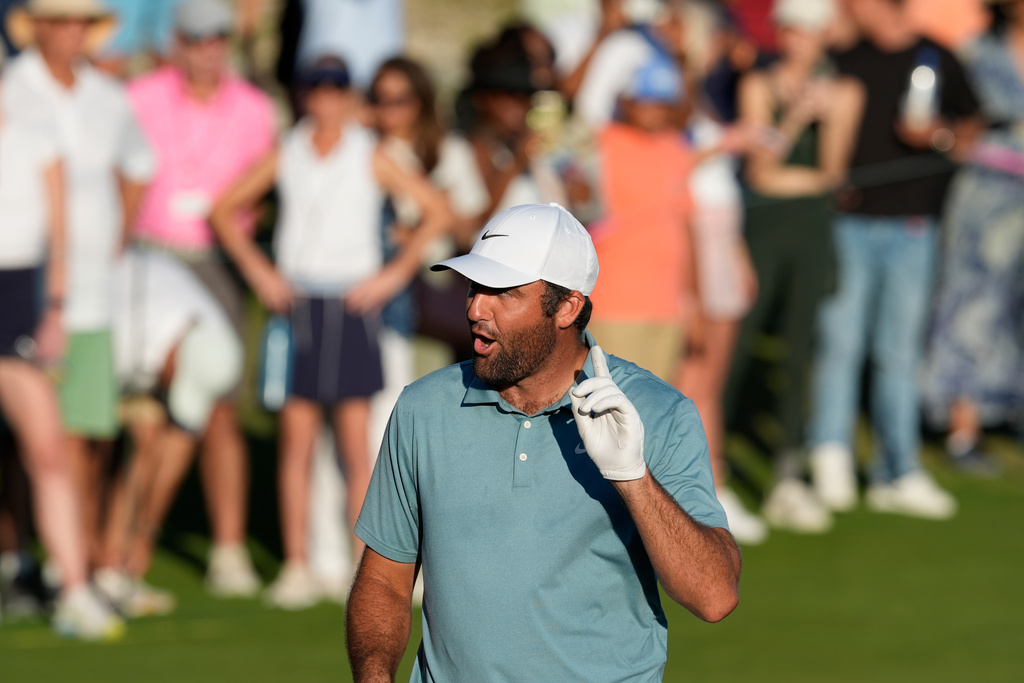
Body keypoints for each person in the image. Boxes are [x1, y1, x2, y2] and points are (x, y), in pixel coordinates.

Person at [346, 202, 740, 682]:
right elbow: (384, 579)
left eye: (503, 292)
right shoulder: (423, 409)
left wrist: (633, 478)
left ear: (568, 307)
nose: (475, 308)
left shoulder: (658, 413)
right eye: (475, 287)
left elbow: (715, 596)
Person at [210, 55, 451, 609]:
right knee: (296, 442)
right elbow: (225, 210)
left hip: (350, 303)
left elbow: (436, 211)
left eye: (335, 89)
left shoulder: (370, 153)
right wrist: (260, 272)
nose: (325, 100)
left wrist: (391, 276)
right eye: (315, 89)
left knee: (355, 446)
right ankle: (297, 565)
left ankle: (362, 566)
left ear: (348, 96)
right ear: (303, 95)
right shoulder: (287, 151)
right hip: (298, 303)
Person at [806, 0, 982, 519]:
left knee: (898, 351)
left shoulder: (938, 56)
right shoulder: (841, 55)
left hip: (913, 225)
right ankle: (829, 454)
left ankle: (897, 468)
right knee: (840, 342)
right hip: (848, 222)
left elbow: (970, 131)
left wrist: (939, 137)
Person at [125, 0, 274, 598]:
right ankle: (125, 549)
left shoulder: (255, 109)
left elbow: (255, 200)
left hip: (216, 260)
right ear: (177, 42)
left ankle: (229, 549)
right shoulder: (142, 96)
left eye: (217, 39)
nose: (207, 50)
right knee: (142, 413)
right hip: (153, 255)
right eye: (196, 39)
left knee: (219, 409)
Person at [3, 0, 156, 576]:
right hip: (24, 287)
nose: (74, 31)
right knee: (31, 438)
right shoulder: (13, 88)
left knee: (84, 433)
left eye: (81, 21)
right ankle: (27, 558)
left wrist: (117, 234)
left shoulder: (109, 97)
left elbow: (139, 166)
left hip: (94, 292)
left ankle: (77, 564)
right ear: (38, 27)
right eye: (63, 19)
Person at [724, 0, 863, 534]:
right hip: (762, 231)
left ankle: (787, 475)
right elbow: (760, 173)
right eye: (789, 29)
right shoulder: (757, 85)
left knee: (800, 347)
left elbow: (830, 172)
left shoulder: (846, 90)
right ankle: (708, 464)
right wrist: (801, 116)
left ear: (824, 34)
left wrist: (794, 159)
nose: (796, 39)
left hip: (809, 231)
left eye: (806, 30)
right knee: (740, 341)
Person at [0, 74, 124, 641]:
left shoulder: (35, 138)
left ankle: (74, 590)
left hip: (20, 300)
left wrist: (53, 308)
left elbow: (59, 233)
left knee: (48, 450)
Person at [93, 249, 243, 617]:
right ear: (174, 359)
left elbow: (181, 435)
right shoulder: (126, 337)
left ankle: (121, 562)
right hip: (86, 317)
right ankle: (85, 568)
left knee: (158, 434)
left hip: (145, 335)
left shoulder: (216, 339)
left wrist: (144, 534)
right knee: (92, 446)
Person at [921, 0, 1024, 475]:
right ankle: (964, 428)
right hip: (984, 199)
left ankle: (1009, 408)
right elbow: (943, 122)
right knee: (971, 304)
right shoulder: (976, 54)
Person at [586, 53, 698, 383]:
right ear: (626, 100)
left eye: (662, 103)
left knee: (657, 414)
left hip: (667, 307)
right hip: (612, 303)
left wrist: (694, 304)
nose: (654, 110)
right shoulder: (599, 141)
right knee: (607, 407)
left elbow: (687, 228)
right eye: (646, 101)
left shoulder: (676, 146)